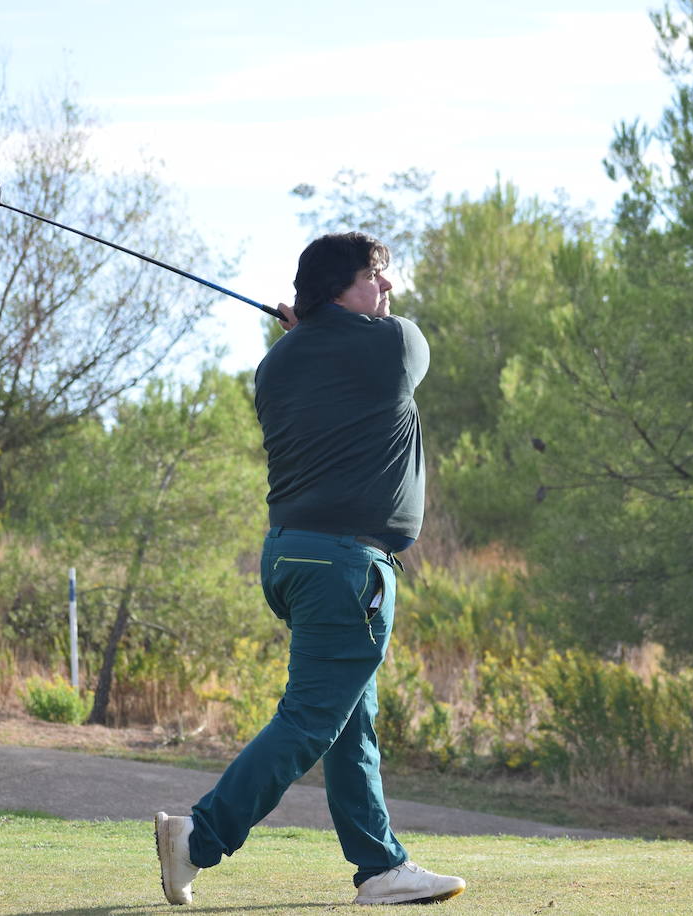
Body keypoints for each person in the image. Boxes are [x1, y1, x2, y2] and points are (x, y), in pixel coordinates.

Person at [155, 232, 466, 906]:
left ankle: (380, 867)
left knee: (350, 722)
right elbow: (379, 345)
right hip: (347, 567)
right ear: (337, 291)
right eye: (375, 277)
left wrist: (309, 329)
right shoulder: (393, 344)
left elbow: (325, 361)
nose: (388, 289)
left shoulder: (274, 366)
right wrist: (322, 328)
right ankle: (198, 839)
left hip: (291, 557)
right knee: (308, 721)